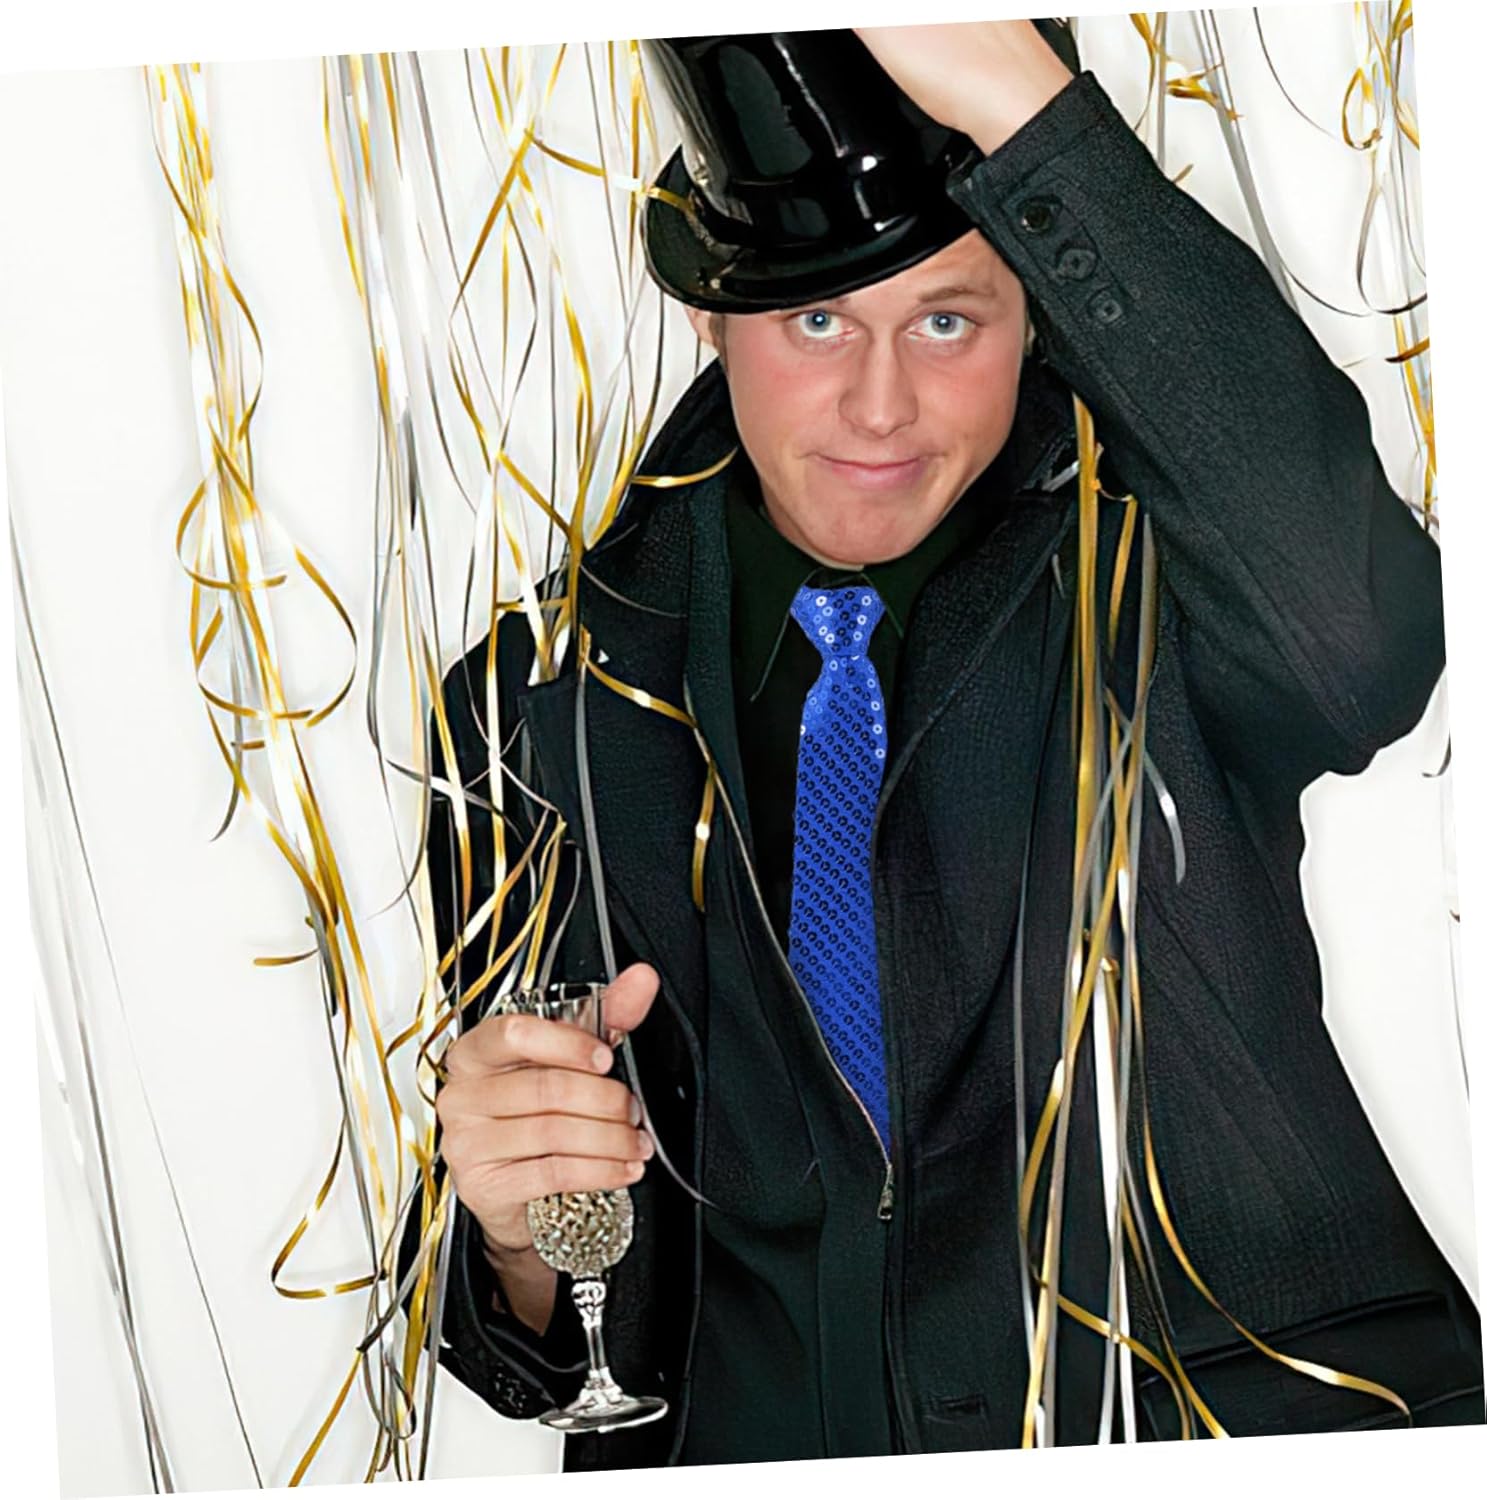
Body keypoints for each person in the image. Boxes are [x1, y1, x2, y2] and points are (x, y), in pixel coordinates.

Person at [404, 20, 1484, 1470]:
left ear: (1037, 311)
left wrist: (1028, 110)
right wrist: (519, 1232)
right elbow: (587, 1324)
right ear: (712, 317)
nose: (880, 405)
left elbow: (1369, 643)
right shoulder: (531, 704)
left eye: (948, 322)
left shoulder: (1163, 566)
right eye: (817, 323)